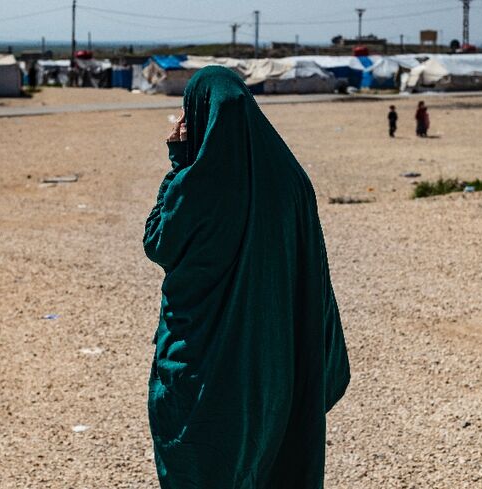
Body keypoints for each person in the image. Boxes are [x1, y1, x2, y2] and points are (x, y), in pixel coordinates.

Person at [143, 66, 350, 488]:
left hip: (205, 364)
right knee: (271, 451)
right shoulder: (293, 178)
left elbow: (158, 243)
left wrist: (177, 163)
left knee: (203, 460)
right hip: (275, 359)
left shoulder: (195, 183)